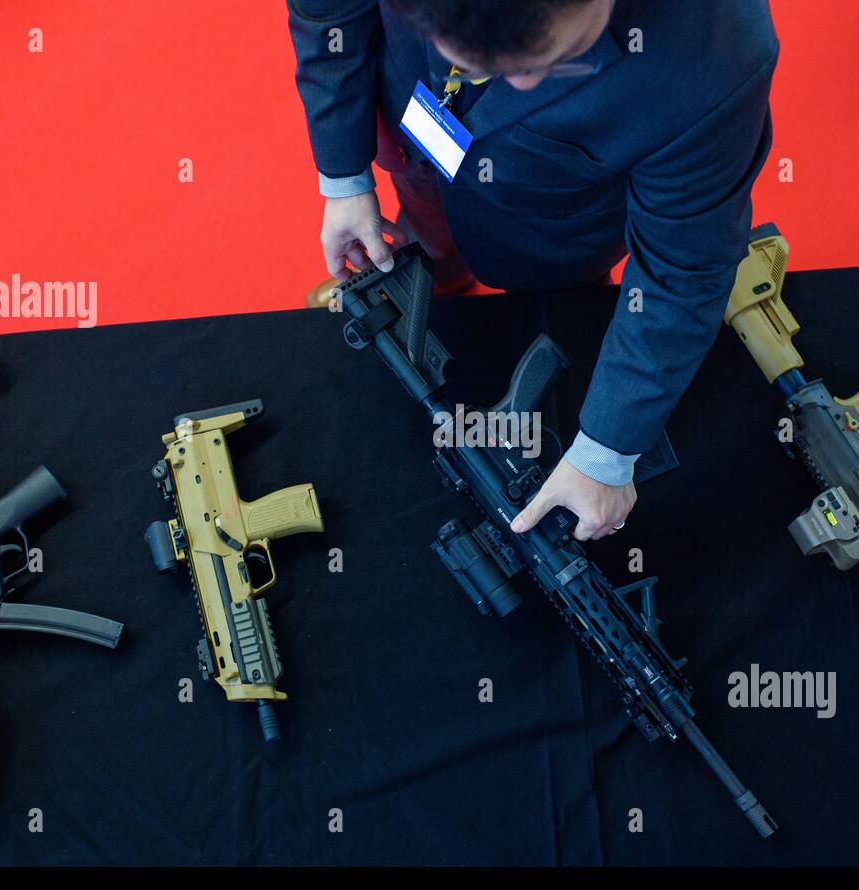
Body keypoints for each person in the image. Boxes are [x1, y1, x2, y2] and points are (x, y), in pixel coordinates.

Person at [289, 0, 777, 539]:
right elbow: (327, 13)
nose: (513, 85)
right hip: (417, 139)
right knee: (426, 245)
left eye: (548, 61)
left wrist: (605, 453)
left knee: (567, 317)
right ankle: (443, 281)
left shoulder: (717, 51)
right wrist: (344, 177)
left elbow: (683, 270)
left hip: (556, 222)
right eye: (473, 62)